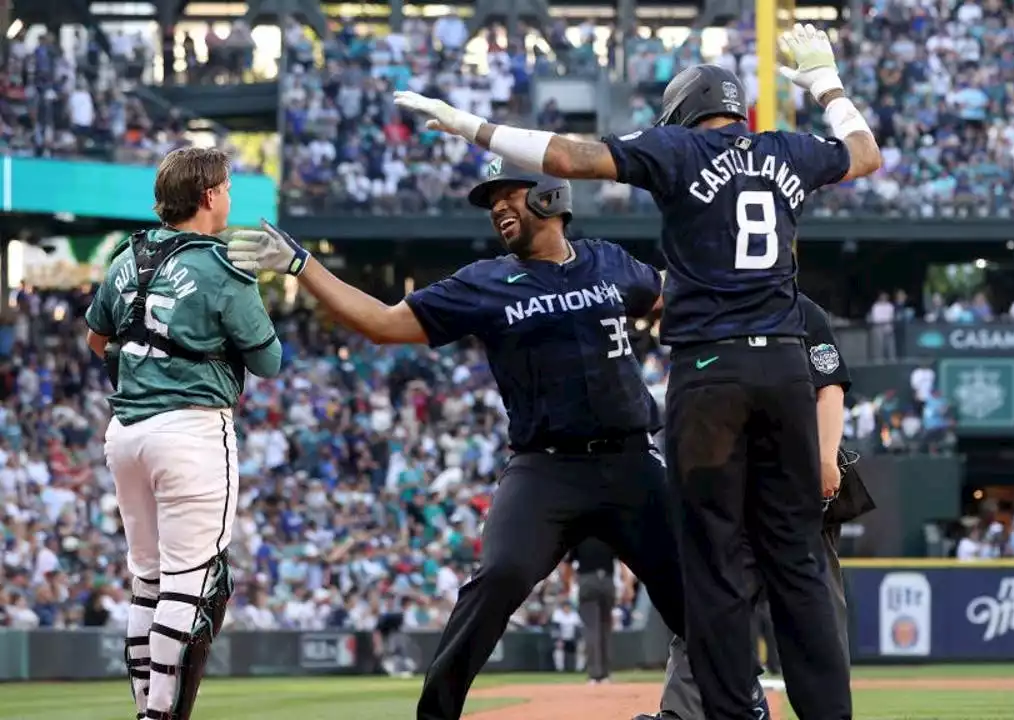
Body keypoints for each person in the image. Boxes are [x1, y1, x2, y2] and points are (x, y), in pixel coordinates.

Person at [392, 23, 879, 720]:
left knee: (710, 561)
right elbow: (865, 154)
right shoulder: (789, 151)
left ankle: (732, 716)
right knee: (797, 557)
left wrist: (474, 127)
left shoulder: (677, 148)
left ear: (682, 113)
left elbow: (569, 156)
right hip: (785, 371)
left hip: (712, 372)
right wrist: (826, 84)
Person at [225, 168, 770, 720]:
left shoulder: (609, 261)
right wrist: (303, 266)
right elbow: (385, 324)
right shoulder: (484, 281)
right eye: (492, 205)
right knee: (500, 576)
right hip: (544, 470)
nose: (499, 210)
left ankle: (741, 707)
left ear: (551, 197)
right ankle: (435, 714)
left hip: (631, 461)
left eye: (510, 197)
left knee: (699, 598)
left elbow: (675, 301)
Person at [83, 146, 283, 720]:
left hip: (124, 432)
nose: (228, 197)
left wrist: (145, 369)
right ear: (209, 196)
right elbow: (269, 361)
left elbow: (97, 340)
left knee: (147, 581)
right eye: (226, 188)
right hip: (190, 430)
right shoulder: (220, 265)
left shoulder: (126, 257)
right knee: (190, 581)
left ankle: (144, 706)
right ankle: (161, 714)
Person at [645, 292, 876, 720]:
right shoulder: (708, 304)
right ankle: (681, 713)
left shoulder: (803, 311)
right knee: (712, 601)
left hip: (794, 486)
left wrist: (827, 456)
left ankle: (826, 711)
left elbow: (830, 388)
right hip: (730, 486)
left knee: (816, 610)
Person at [562, 537, 623, 684]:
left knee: (591, 629)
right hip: (608, 581)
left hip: (587, 581)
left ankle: (595, 675)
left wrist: (567, 585)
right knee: (606, 629)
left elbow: (567, 564)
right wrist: (626, 584)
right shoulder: (609, 534)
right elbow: (622, 562)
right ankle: (607, 674)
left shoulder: (580, 536)